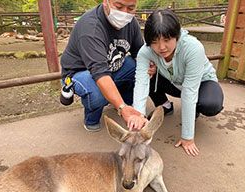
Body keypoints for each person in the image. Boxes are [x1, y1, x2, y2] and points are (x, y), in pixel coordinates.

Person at [131, 9, 224, 156]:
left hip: (201, 83)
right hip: (173, 81)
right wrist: (138, 116)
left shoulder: (193, 48)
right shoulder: (145, 52)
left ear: (177, 35)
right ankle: (165, 106)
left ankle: (195, 109)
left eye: (167, 40)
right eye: (154, 42)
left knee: (210, 104)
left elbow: (189, 91)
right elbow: (141, 83)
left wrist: (187, 137)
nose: (161, 47)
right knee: (146, 74)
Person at [60, 0, 149, 132]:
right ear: (105, 2)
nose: (124, 13)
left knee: (138, 66)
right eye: (118, 6)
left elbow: (140, 54)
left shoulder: (131, 23)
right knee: (97, 93)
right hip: (81, 73)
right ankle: (92, 117)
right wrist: (121, 108)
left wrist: (150, 66)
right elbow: (100, 73)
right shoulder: (91, 28)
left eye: (131, 8)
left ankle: (126, 102)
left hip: (112, 67)